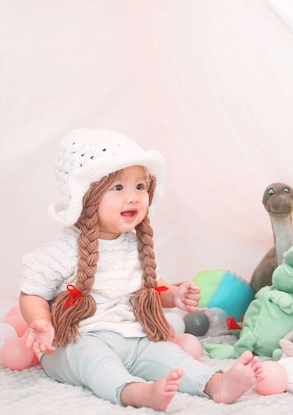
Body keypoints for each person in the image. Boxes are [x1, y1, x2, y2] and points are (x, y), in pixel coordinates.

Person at [19, 128, 262, 411]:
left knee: (172, 355)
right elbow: (32, 293)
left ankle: (215, 383)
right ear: (86, 197)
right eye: (118, 188)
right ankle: (137, 393)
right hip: (77, 341)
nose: (133, 197)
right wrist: (41, 322)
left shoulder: (133, 245)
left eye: (140, 186)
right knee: (95, 363)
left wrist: (173, 295)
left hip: (134, 339)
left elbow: (149, 288)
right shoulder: (63, 251)